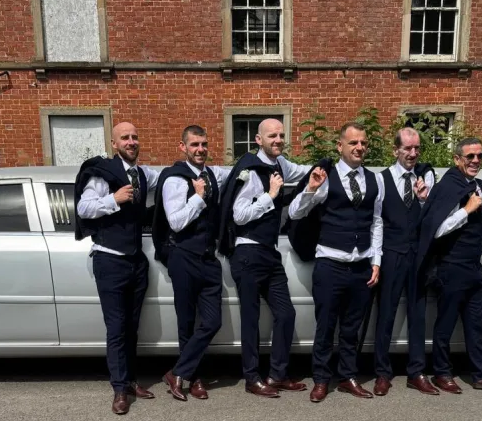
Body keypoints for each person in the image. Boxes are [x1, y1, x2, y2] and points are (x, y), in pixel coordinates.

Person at [217, 119, 319, 398]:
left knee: (286, 314)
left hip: (270, 254)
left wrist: (322, 173)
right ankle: (252, 378)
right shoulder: (249, 171)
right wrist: (271, 195)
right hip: (247, 252)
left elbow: (304, 172)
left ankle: (277, 374)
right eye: (271, 136)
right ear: (258, 140)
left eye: (281, 135)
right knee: (250, 319)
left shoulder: (281, 165)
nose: (278, 139)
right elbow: (239, 215)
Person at [287, 122, 382, 403]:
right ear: (340, 146)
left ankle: (348, 377)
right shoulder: (325, 176)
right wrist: (310, 189)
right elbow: (294, 213)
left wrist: (376, 261)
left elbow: (377, 223)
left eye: (363, 143)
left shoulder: (375, 180)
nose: (359, 147)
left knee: (352, 329)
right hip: (330, 264)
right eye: (353, 143)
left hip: (361, 265)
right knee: (326, 327)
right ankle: (320, 379)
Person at [417, 137, 482, 393]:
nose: (475, 161)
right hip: (449, 267)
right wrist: (467, 210)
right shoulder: (446, 187)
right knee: (446, 323)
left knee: (476, 323)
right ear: (457, 159)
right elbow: (436, 230)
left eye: (480, 156)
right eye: (470, 157)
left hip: (473, 267)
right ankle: (441, 372)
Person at [74, 122, 160, 415]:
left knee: (132, 327)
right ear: (114, 144)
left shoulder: (144, 174)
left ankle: (131, 380)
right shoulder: (103, 174)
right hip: (109, 259)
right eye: (125, 137)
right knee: (117, 328)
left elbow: (170, 175)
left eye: (135, 137)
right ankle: (119, 389)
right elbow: (84, 209)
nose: (131, 141)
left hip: (136, 260)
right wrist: (114, 199)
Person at [151, 125, 232, 401]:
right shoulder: (175, 179)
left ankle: (178, 372)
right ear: (182, 147)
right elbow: (175, 222)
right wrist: (197, 197)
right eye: (195, 145)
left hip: (209, 258)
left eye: (204, 144)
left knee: (211, 321)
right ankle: (193, 378)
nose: (201, 150)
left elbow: (237, 171)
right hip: (183, 256)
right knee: (186, 322)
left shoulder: (212, 174)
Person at [371, 127, 439, 396]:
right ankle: (382, 372)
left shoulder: (426, 177)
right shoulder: (381, 179)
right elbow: (376, 221)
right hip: (391, 255)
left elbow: (433, 220)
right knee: (385, 314)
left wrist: (424, 201)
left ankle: (417, 372)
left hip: (418, 256)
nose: (413, 153)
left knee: (418, 314)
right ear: (395, 150)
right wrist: (376, 259)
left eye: (417, 149)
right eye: (407, 148)